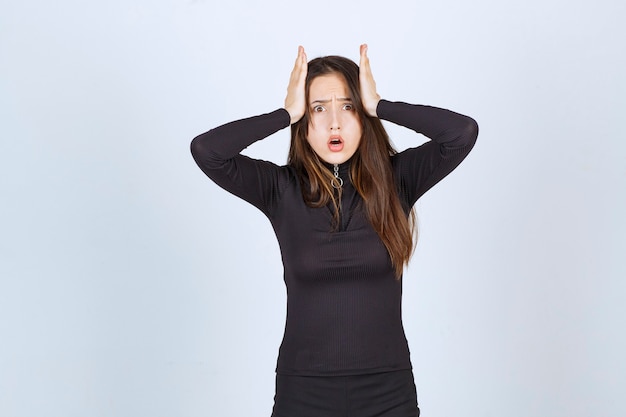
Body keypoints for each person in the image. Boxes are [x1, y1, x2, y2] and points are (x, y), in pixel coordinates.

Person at [191, 44, 478, 417]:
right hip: (304, 391)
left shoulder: (397, 181)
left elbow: (462, 133)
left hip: (388, 391)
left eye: (347, 106)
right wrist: (285, 113)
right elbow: (207, 151)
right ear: (304, 123)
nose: (334, 123)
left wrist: (380, 106)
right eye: (318, 109)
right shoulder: (280, 189)